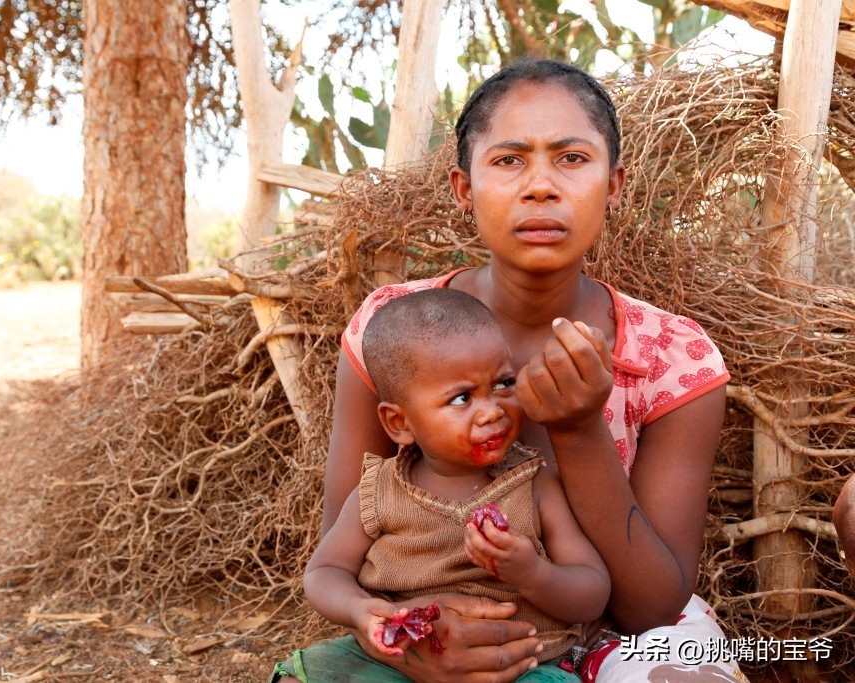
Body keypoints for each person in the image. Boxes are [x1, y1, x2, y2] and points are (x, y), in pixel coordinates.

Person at [314, 59, 746, 682]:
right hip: (432, 620)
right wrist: (419, 632)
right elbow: (345, 557)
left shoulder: (672, 357)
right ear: (464, 189)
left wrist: (578, 430)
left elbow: (652, 607)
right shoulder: (393, 329)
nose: (541, 185)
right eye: (510, 160)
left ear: (614, 185)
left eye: (572, 159)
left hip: (617, 637)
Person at [272, 288, 610, 682]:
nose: (491, 412)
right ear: (400, 424)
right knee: (306, 673)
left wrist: (532, 573)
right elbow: (324, 571)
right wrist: (359, 610)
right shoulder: (380, 491)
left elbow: (592, 591)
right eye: (461, 398)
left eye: (503, 384)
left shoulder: (533, 485)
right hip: (399, 660)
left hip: (516, 665)